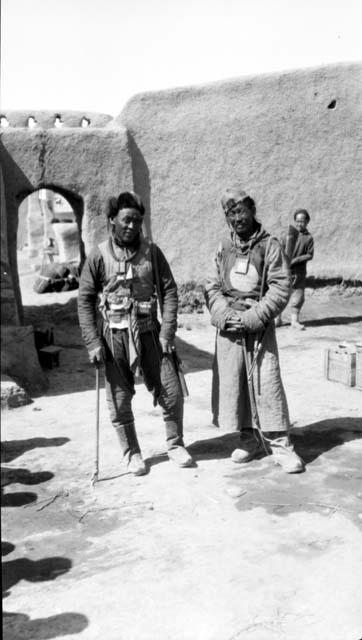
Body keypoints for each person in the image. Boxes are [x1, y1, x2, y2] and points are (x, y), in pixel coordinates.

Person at [78, 191, 193, 476]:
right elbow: (85, 299)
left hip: (150, 333)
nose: (132, 226)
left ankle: (175, 444)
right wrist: (93, 342)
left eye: (137, 221)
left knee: (171, 390)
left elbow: (169, 290)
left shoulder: (152, 252)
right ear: (112, 221)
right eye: (126, 220)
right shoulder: (99, 255)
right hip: (113, 336)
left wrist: (167, 331)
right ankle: (132, 453)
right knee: (118, 399)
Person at [204, 186, 304, 473]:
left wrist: (254, 316)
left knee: (266, 384)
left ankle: (281, 445)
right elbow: (211, 285)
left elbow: (281, 286)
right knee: (236, 385)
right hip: (229, 329)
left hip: (258, 330)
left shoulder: (270, 245)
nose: (237, 219)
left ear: (252, 210)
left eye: (241, 211)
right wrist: (223, 314)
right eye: (230, 214)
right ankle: (249, 439)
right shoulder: (223, 247)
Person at [281, 209, 314, 330]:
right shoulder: (287, 235)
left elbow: (310, 254)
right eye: (297, 221)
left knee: (298, 295)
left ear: (307, 222)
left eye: (302, 221)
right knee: (281, 294)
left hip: (299, 272)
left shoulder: (309, 238)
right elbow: (281, 248)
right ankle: (277, 319)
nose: (299, 224)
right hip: (285, 271)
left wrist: (296, 260)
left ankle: (294, 321)